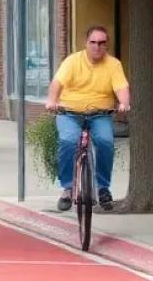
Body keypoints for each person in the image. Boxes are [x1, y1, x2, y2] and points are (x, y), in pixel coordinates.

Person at [45, 25, 130, 212]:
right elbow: (57, 83)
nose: (97, 47)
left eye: (101, 43)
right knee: (68, 141)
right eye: (93, 42)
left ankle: (103, 189)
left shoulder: (113, 64)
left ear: (106, 45)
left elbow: (121, 88)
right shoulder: (73, 61)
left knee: (105, 142)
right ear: (86, 43)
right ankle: (67, 188)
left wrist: (123, 103)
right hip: (69, 113)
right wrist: (52, 101)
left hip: (100, 114)